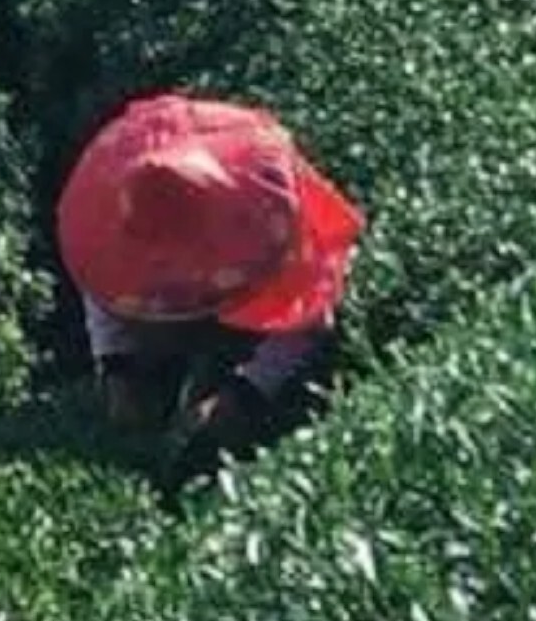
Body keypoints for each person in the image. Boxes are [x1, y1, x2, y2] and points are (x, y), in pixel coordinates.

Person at [56, 92, 362, 476]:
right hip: (162, 154)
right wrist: (118, 367)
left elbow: (309, 316)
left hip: (234, 206)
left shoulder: (263, 218)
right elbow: (103, 285)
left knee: (239, 393)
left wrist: (243, 394)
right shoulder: (119, 220)